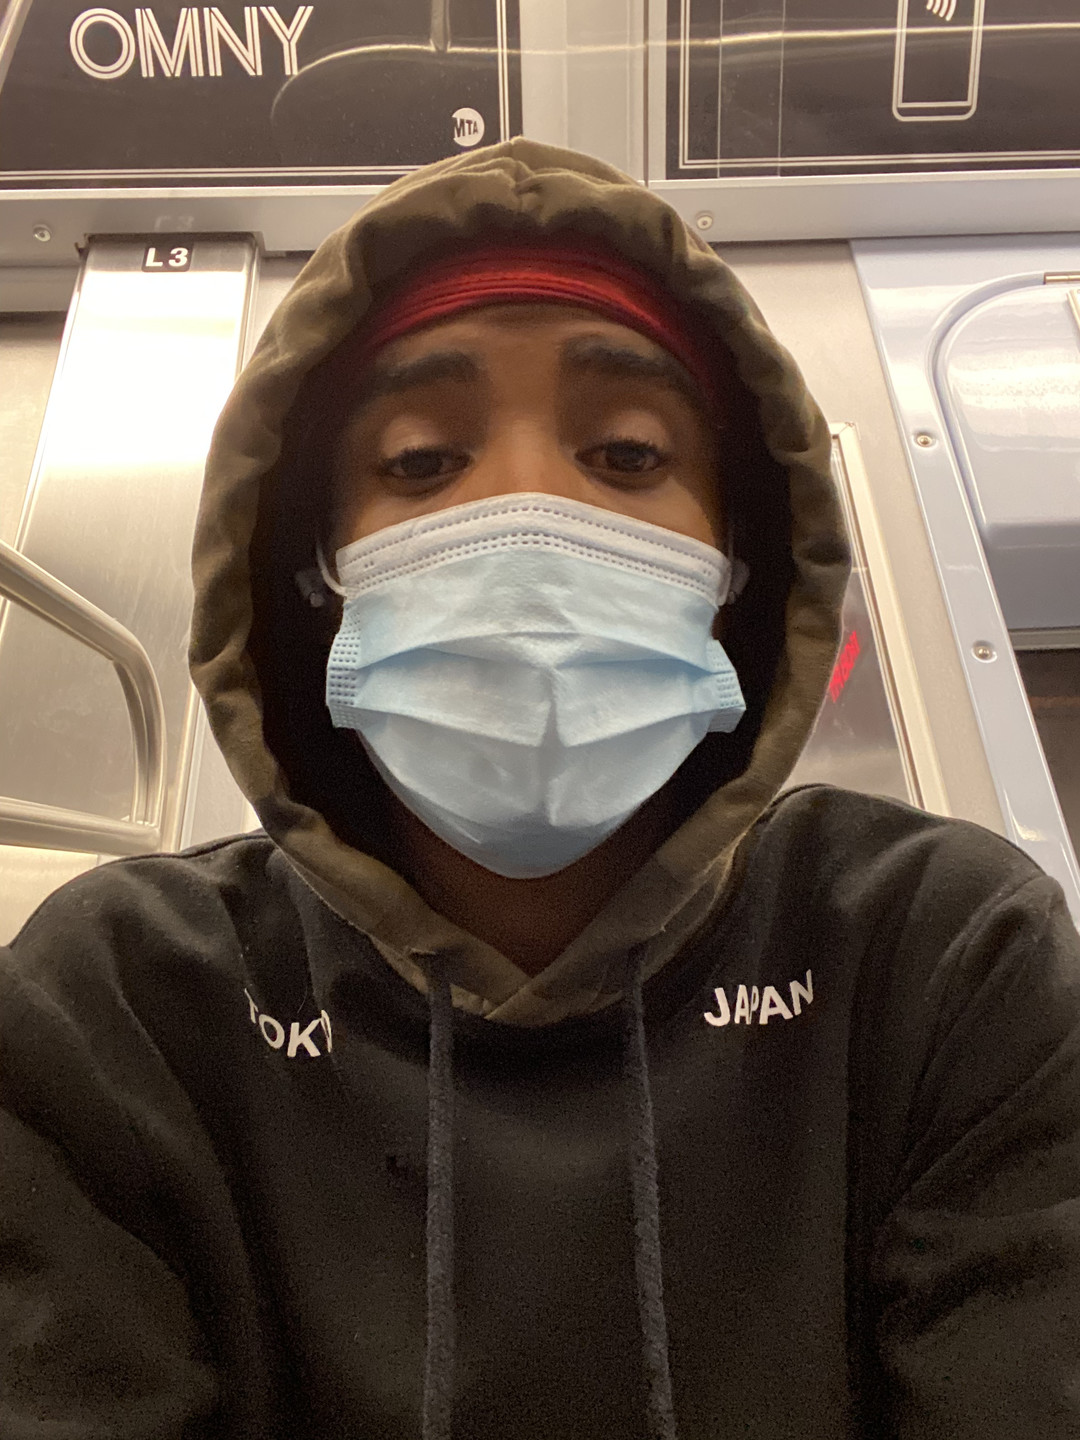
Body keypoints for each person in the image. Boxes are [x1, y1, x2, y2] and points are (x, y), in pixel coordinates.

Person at [2, 138, 1079, 1440]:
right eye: (419, 462)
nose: (527, 512)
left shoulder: (942, 958)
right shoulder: (120, 1003)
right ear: (315, 571)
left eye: (625, 454)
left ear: (738, 566)